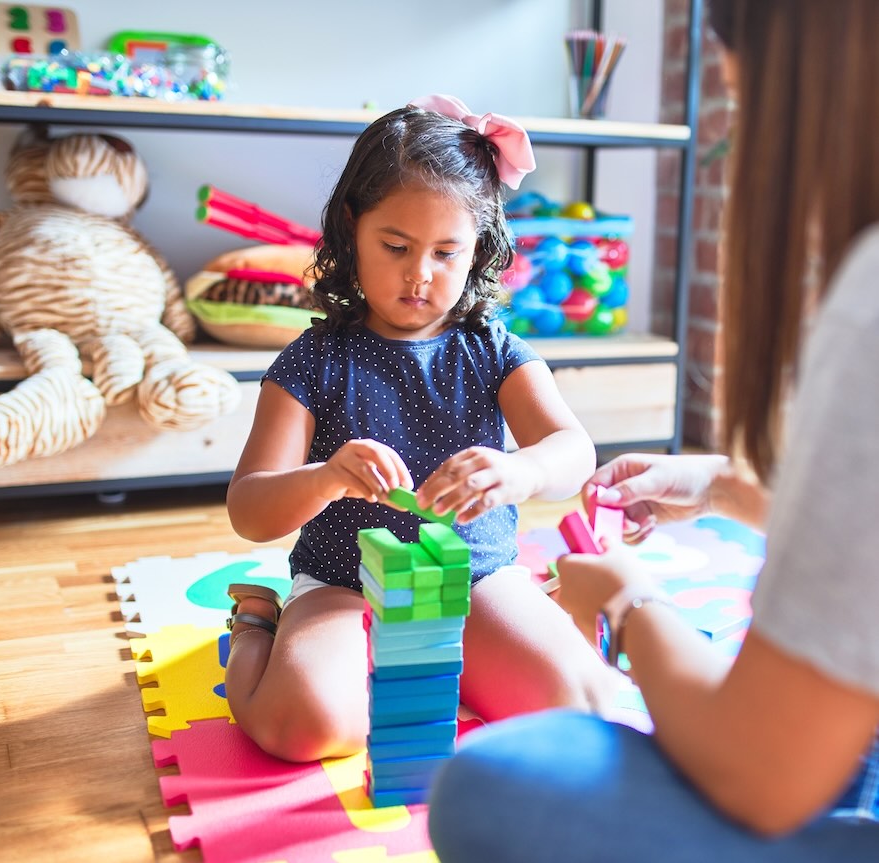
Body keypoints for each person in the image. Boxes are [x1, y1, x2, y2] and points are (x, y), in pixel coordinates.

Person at [428, 2, 879, 860]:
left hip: (789, 770)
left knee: (493, 785)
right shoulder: (323, 355)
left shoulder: (868, 304)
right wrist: (721, 485)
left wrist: (631, 601)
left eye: (748, 110)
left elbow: (567, 450)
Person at [223, 94, 617, 763]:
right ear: (352, 229)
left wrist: (523, 469)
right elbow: (249, 509)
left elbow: (574, 450)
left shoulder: (493, 348)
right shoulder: (313, 360)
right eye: (397, 246)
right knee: (311, 726)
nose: (419, 274)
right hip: (341, 578)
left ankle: (454, 653)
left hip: (475, 575)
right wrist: (324, 478)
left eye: (446, 252)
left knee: (583, 703)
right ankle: (258, 624)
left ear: (480, 246)